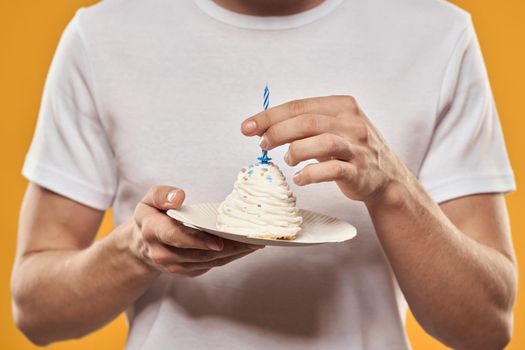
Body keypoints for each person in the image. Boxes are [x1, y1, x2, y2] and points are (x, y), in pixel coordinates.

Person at [11, 0, 517, 349]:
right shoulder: (104, 35)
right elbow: (36, 310)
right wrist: (135, 251)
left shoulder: (435, 34)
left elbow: (486, 326)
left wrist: (392, 188)